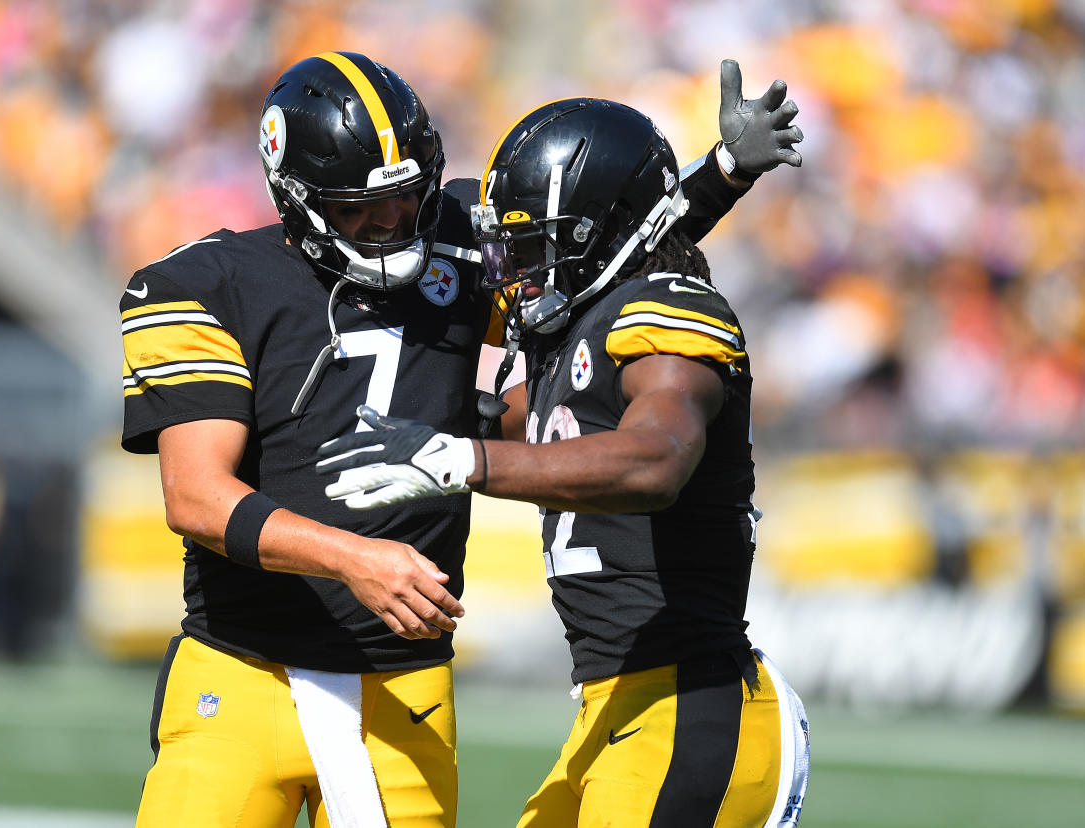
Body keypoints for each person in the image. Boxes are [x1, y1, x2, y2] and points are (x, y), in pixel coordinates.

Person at [120, 50, 802, 827]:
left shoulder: (452, 236)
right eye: (357, 208)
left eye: (408, 196)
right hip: (239, 671)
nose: (391, 222)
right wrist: (356, 560)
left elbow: (586, 245)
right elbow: (198, 497)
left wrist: (717, 179)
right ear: (299, 201)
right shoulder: (201, 284)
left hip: (401, 689)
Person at [317, 97, 810, 827]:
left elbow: (656, 461)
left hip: (689, 707)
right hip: (613, 713)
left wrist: (462, 458)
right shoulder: (574, 332)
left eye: (537, 247)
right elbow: (629, 238)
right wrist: (723, 173)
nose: (512, 271)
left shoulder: (667, 309)